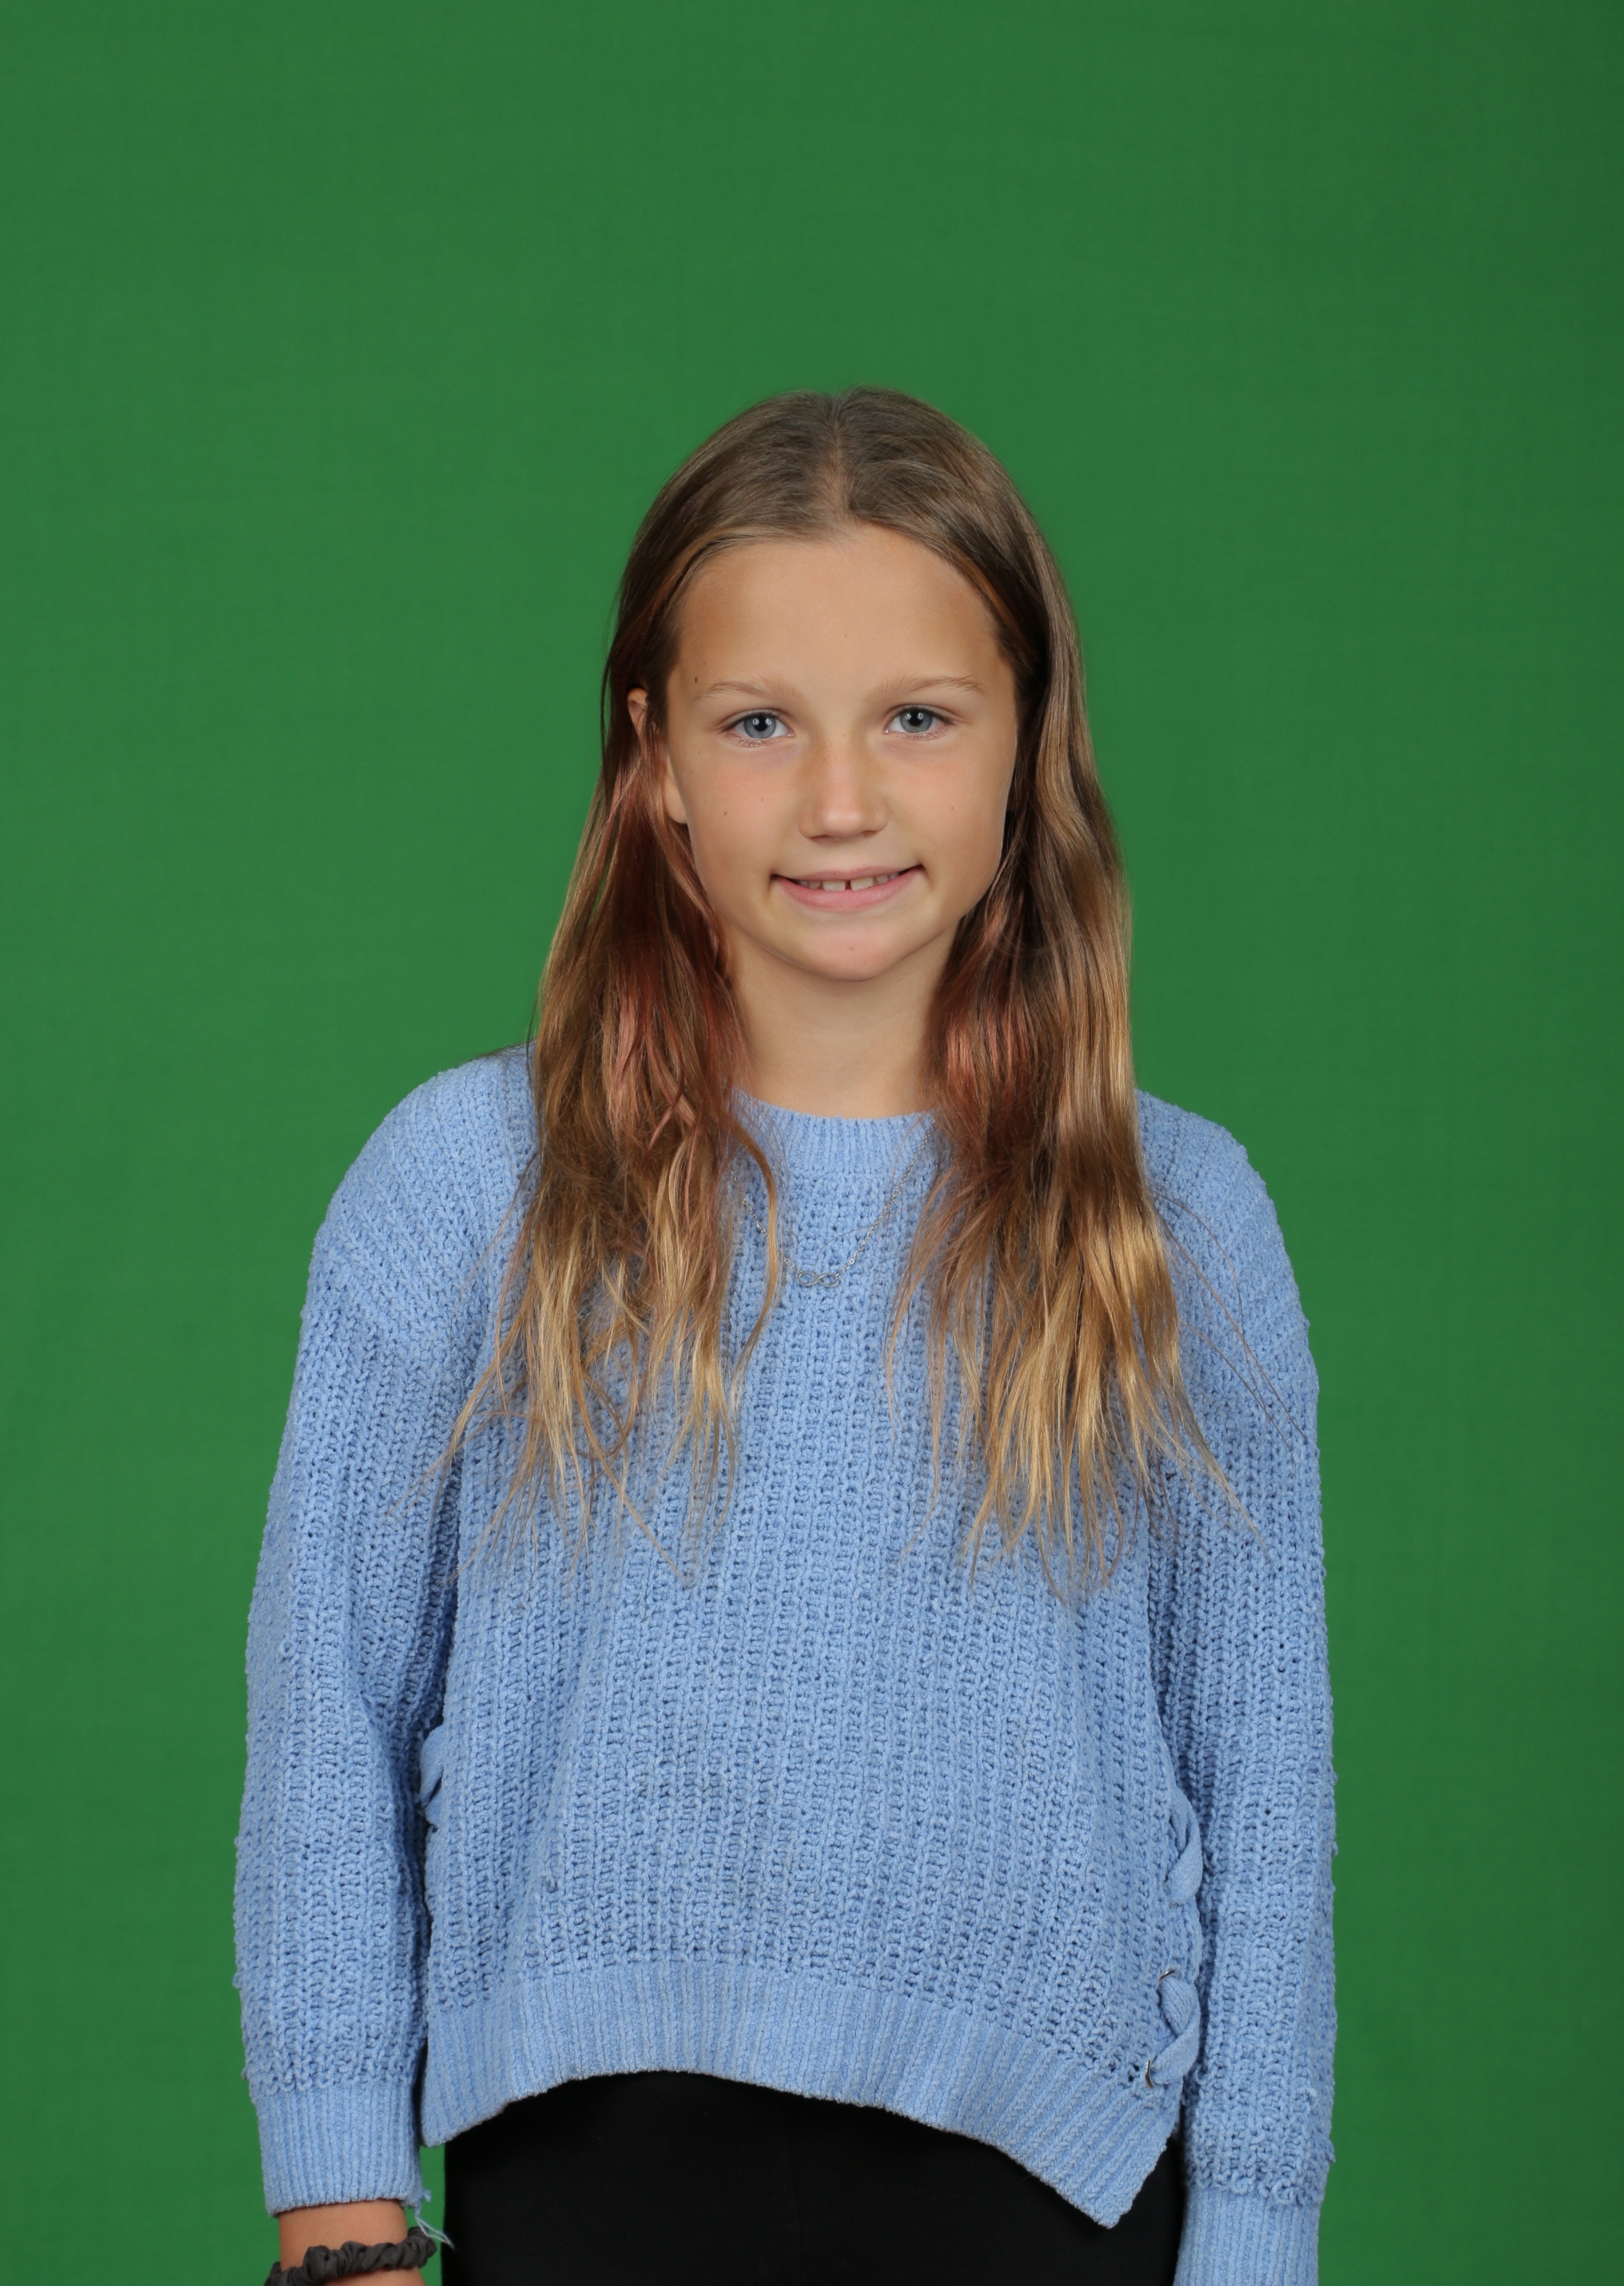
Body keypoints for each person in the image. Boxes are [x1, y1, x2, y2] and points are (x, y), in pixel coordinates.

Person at [236, 388, 1335, 2286]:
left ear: (1026, 746)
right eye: (760, 724)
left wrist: (1257, 2233)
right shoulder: (467, 1189)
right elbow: (327, 1709)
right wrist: (342, 2220)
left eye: (918, 717)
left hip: (1055, 2206)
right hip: (586, 2188)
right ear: (653, 757)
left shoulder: (1182, 1226)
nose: (841, 801)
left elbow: (1266, 1787)